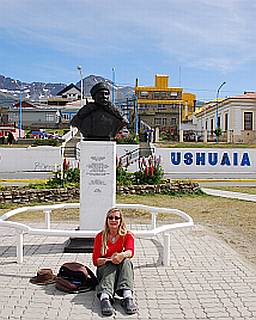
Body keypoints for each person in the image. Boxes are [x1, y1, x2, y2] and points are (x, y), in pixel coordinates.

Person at [92, 208, 137, 316]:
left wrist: (121, 255)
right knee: (110, 265)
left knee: (126, 262)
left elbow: (130, 251)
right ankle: (105, 298)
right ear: (107, 220)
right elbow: (95, 260)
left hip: (121, 273)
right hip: (105, 271)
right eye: (110, 218)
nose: (113, 220)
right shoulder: (100, 236)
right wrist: (107, 260)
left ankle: (127, 296)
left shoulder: (127, 235)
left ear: (121, 220)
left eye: (117, 218)